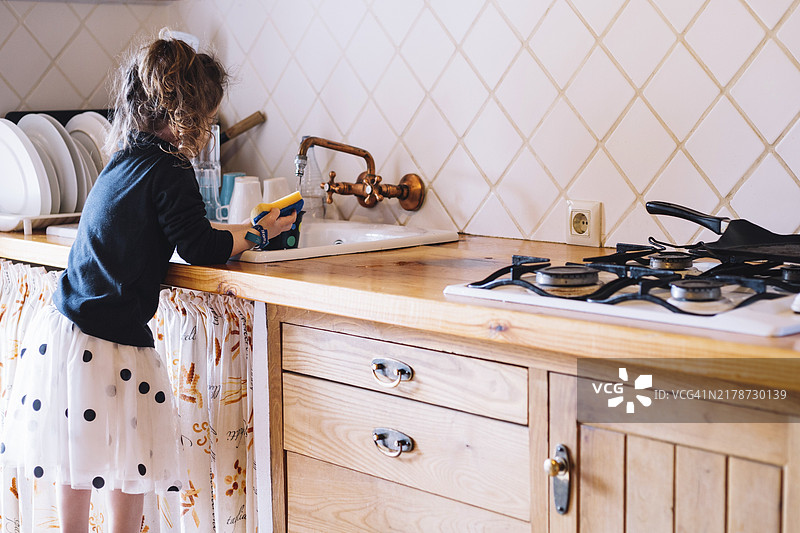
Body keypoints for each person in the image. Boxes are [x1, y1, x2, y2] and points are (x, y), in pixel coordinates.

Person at [0, 37, 295, 532]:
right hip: (109, 340)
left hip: (68, 330)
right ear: (192, 115)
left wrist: (233, 232)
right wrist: (257, 232)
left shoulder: (124, 159)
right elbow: (199, 247)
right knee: (131, 460)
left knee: (76, 454)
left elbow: (171, 232)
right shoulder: (173, 169)